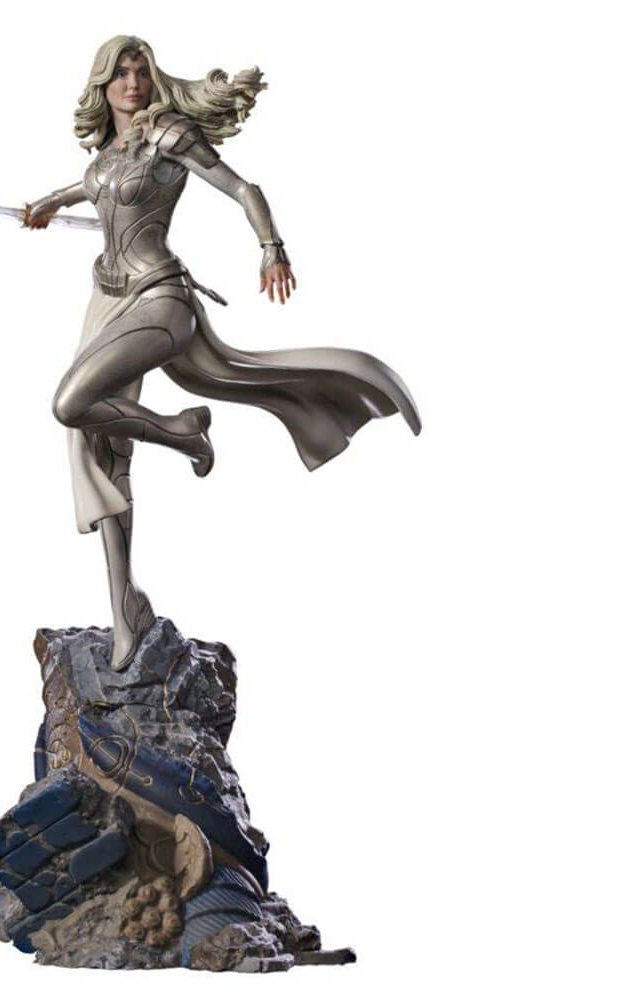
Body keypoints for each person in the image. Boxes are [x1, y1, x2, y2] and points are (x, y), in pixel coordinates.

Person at [25, 35, 420, 669]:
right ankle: (125, 608)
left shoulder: (168, 138)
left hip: (160, 301)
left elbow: (243, 188)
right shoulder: (107, 156)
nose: (133, 82)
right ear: (102, 84)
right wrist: (50, 202)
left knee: (70, 404)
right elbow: (93, 188)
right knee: (100, 449)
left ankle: (185, 433)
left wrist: (272, 248)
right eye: (120, 73)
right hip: (107, 301)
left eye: (141, 71)